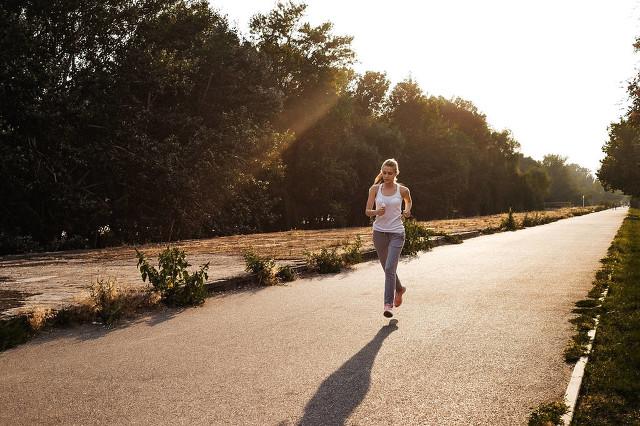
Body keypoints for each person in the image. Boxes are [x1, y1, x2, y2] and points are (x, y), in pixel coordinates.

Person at [365, 158, 412, 318]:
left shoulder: (403, 190)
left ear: (395, 173)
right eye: (384, 172)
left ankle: (388, 305)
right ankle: (399, 289)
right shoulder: (374, 189)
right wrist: (377, 212)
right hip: (379, 233)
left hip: (397, 233)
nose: (386, 176)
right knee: (387, 268)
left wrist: (407, 211)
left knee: (390, 268)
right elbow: (367, 211)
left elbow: (408, 202)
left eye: (389, 173)